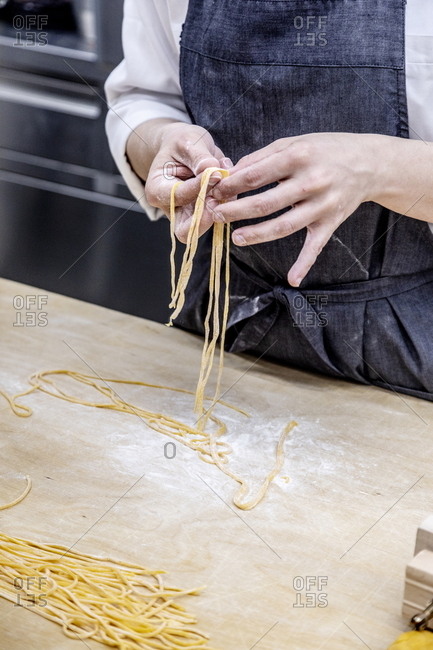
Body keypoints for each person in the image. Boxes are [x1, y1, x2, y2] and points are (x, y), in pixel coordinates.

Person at [105, 0, 433, 401]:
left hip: (411, 345)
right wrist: (159, 141)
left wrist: (377, 167)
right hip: (224, 324)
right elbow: (144, 97)